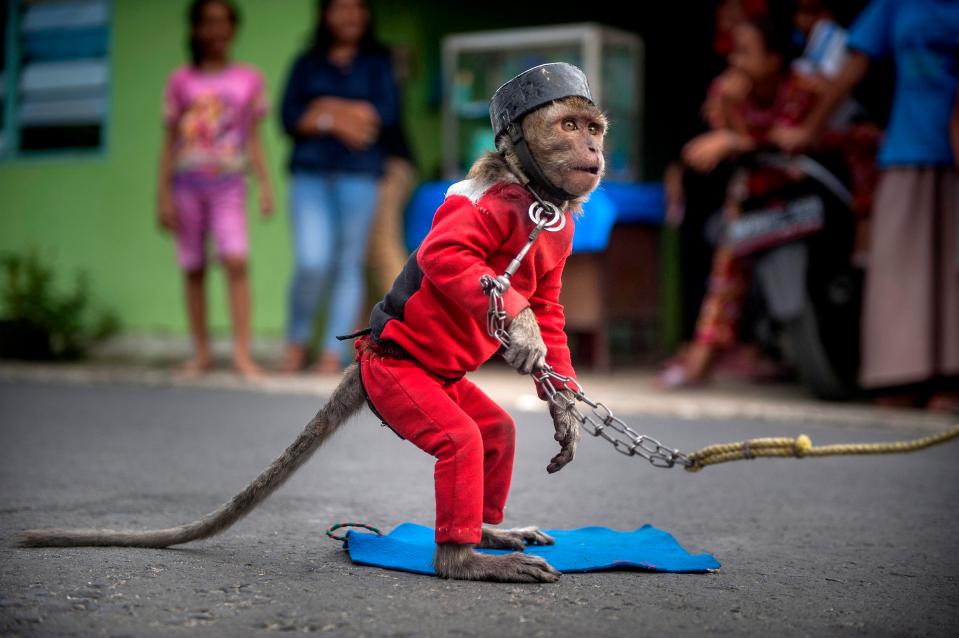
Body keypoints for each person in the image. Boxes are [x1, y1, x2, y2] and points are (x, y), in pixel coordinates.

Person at [771, 0, 959, 411]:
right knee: (899, 267)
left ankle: (951, 377)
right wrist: (810, 128)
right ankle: (902, 374)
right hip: (907, 143)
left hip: (954, 150)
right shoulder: (895, 6)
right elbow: (851, 68)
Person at [661, 15, 818, 388]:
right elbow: (738, 149)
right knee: (729, 262)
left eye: (746, 52)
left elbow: (788, 142)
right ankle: (703, 357)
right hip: (753, 197)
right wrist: (732, 119)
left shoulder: (804, 88)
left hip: (804, 192)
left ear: (776, 58)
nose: (736, 61)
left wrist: (735, 139)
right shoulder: (727, 91)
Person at [278, 0, 399, 374]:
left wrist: (320, 111)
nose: (350, 15)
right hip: (310, 175)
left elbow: (384, 116)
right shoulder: (305, 63)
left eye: (358, 7)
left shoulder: (377, 64)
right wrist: (339, 117)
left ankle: (333, 353)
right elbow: (288, 117)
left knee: (348, 264)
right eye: (340, 8)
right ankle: (295, 342)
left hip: (360, 176)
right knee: (312, 261)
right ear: (324, 15)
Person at [157, 0, 274, 380]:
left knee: (236, 260)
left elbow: (254, 139)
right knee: (193, 266)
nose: (216, 30)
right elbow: (169, 141)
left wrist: (266, 186)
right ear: (195, 29)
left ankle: (242, 353)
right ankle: (202, 352)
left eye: (223, 22)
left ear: (233, 29)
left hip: (230, 184)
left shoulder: (248, 79)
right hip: (186, 184)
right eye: (207, 23)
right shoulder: (180, 81)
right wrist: (161, 195)